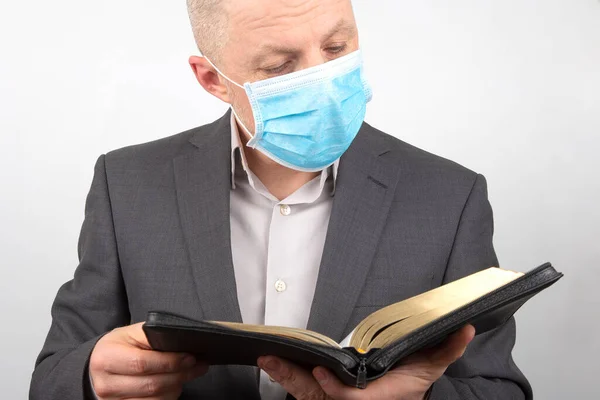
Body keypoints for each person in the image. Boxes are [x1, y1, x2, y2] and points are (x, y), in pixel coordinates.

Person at [30, 1, 533, 399]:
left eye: (337, 47)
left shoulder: (451, 196)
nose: (324, 81)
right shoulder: (127, 183)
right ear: (211, 79)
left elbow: (498, 388)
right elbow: (52, 376)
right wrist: (91, 378)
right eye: (280, 65)